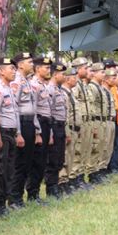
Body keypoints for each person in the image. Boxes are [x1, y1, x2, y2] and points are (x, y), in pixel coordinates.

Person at [0, 57, 20, 216]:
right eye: (11, 69)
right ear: (1, 71)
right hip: (2, 133)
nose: (14, 71)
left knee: (9, 170)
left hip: (11, 134)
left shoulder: (9, 89)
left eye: (15, 69)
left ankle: (4, 203)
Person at [10, 52, 39, 209]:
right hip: (20, 123)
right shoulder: (16, 81)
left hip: (29, 124)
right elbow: (14, 108)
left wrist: (37, 130)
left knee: (27, 162)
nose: (32, 64)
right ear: (20, 64)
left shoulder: (26, 81)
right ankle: (14, 198)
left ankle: (19, 196)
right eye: (29, 61)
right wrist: (18, 132)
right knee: (19, 163)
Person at [27, 57, 53, 202]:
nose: (48, 70)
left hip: (47, 123)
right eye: (46, 68)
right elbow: (34, 110)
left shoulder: (44, 86)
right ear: (37, 69)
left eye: (49, 68)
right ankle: (31, 193)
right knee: (36, 161)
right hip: (39, 124)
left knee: (42, 160)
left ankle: (36, 192)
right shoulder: (34, 85)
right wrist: (38, 131)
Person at [46, 62, 67, 198]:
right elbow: (49, 112)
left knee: (59, 158)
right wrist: (51, 132)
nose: (64, 76)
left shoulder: (59, 90)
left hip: (61, 126)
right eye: (62, 74)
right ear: (55, 74)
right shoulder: (50, 89)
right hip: (53, 126)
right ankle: (51, 188)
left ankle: (55, 185)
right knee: (52, 159)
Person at [71, 57, 92, 187]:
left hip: (86, 122)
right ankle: (74, 179)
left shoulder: (82, 84)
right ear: (78, 69)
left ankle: (80, 176)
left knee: (84, 150)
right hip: (79, 122)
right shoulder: (75, 85)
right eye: (85, 68)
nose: (87, 70)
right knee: (77, 151)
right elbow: (74, 105)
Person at [59, 67, 79, 195]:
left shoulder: (70, 93)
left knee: (71, 156)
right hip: (68, 129)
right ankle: (62, 182)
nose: (75, 80)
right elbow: (65, 116)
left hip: (74, 129)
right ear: (66, 78)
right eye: (73, 77)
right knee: (65, 156)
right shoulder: (64, 93)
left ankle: (67, 180)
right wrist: (66, 132)